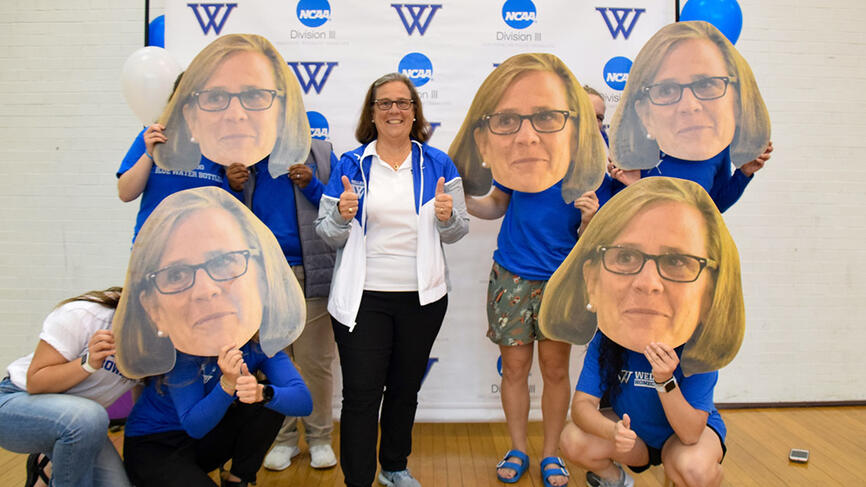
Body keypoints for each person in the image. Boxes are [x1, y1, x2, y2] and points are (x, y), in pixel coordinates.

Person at [448, 53, 607, 487]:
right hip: (512, 276)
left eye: (598, 119)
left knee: (556, 372)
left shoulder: (595, 174)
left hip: (563, 283)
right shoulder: (520, 157)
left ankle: (551, 453)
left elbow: (600, 246)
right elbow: (496, 204)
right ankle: (518, 447)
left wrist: (591, 219)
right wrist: (460, 201)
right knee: (514, 370)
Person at [538, 177, 744, 487]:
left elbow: (690, 433)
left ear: (709, 290)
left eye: (676, 261)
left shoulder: (700, 347)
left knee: (692, 468)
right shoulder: (606, 338)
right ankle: (616, 480)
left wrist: (665, 381)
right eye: (625, 257)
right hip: (633, 436)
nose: (647, 283)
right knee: (573, 440)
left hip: (686, 437)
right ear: (591, 279)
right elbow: (582, 407)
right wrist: (614, 433)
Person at [316, 72, 469, 487]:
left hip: (422, 299)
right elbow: (326, 233)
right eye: (385, 103)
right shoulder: (351, 164)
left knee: (404, 390)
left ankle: (395, 468)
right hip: (363, 300)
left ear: (415, 111)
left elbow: (458, 231)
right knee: (362, 396)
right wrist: (341, 216)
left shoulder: (438, 163)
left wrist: (446, 217)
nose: (395, 110)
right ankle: (359, 479)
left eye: (403, 103)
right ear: (372, 112)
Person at [115, 187, 312, 487]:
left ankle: (238, 478)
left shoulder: (256, 342)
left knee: (267, 399)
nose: (207, 290)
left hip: (203, 442)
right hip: (156, 445)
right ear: (154, 308)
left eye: (222, 262)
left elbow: (303, 402)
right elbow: (194, 425)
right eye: (178, 275)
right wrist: (228, 383)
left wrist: (262, 393)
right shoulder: (183, 350)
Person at [225, 138, 340, 471]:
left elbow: (339, 210)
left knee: (315, 361)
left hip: (310, 270)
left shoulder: (319, 151)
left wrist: (312, 184)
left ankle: (319, 438)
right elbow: (225, 217)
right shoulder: (241, 155)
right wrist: (232, 187)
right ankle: (283, 440)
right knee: (274, 359)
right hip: (259, 274)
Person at [607, 20, 772, 213]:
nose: (689, 106)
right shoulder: (634, 156)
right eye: (667, 90)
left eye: (705, 85)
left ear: (734, 100)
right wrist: (635, 186)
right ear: (644, 114)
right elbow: (617, 219)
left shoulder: (716, 149)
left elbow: (713, 209)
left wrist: (744, 173)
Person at [0, 287, 137, 487]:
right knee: (88, 417)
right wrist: (88, 363)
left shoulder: (158, 341)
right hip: (15, 402)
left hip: (83, 426)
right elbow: (35, 382)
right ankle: (47, 469)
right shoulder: (86, 315)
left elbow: (140, 403)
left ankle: (47, 470)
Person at [152, 34, 310, 179]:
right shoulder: (156, 137)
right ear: (191, 118)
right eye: (215, 98)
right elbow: (126, 191)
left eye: (254, 95)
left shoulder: (304, 161)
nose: (235, 115)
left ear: (282, 112)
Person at [116, 73, 227, 242]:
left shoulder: (221, 143)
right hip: (153, 249)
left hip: (205, 251)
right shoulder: (154, 135)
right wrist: (149, 153)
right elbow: (125, 193)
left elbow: (231, 207)